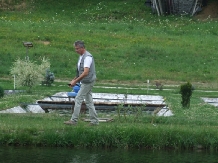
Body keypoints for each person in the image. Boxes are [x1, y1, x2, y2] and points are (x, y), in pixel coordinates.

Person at [64, 40, 99, 126]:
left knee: (78, 99)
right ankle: (94, 121)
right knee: (89, 102)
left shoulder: (87, 57)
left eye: (77, 48)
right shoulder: (81, 56)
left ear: (82, 48)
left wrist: (75, 81)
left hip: (88, 82)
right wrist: (74, 80)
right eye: (75, 49)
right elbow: (80, 71)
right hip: (85, 81)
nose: (76, 50)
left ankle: (74, 120)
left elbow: (85, 72)